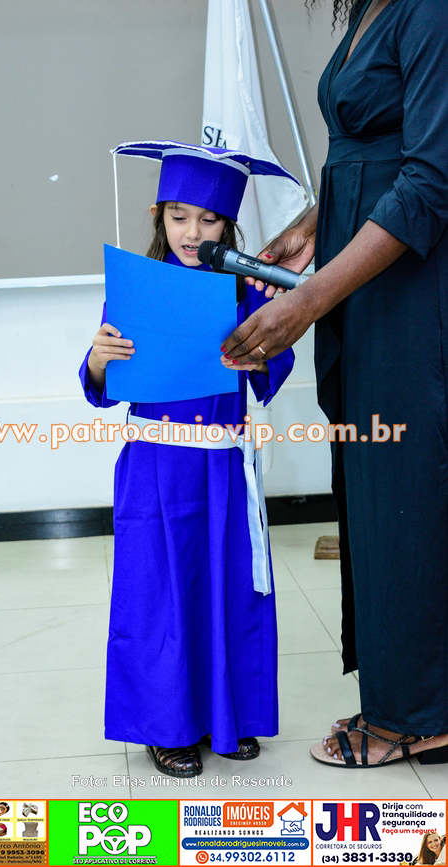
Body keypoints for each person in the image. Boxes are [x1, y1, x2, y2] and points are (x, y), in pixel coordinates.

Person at [221, 0, 448, 767]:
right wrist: (313, 225)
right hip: (367, 283)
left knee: (407, 486)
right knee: (376, 487)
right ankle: (404, 692)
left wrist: (311, 298)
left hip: (411, 289)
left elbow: (429, 177)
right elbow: (372, 151)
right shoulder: (371, 9)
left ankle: (418, 714)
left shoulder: (430, 10)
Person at [79, 141, 295, 777]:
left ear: (228, 226)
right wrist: (98, 358)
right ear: (159, 218)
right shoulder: (137, 290)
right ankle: (164, 726)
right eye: (178, 217)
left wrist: (261, 347)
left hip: (223, 466)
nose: (192, 233)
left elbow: (273, 366)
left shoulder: (245, 290)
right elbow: (98, 383)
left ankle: (228, 717)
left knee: (226, 590)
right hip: (155, 467)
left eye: (208, 220)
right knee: (160, 597)